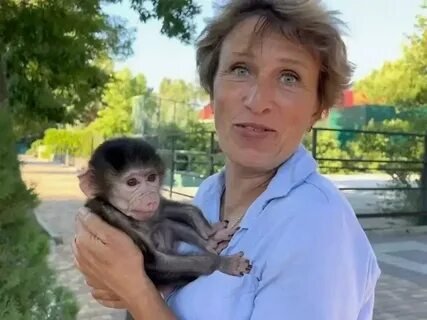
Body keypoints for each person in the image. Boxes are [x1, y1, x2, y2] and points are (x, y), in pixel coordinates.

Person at [72, 0, 381, 319]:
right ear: (212, 88)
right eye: (240, 69)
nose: (258, 101)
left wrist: (136, 291)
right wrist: (119, 267)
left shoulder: (316, 223)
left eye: (289, 77)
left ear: (317, 109)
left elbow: (142, 295)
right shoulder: (209, 195)